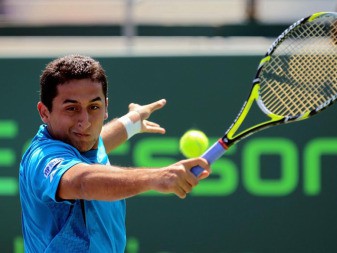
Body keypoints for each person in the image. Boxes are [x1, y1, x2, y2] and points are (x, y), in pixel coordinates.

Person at [19, 55, 211, 252]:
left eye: (94, 107)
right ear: (44, 112)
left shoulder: (82, 142)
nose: (85, 122)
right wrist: (158, 177)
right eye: (71, 108)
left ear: (106, 108)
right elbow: (82, 181)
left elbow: (100, 141)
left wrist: (131, 122)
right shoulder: (43, 157)